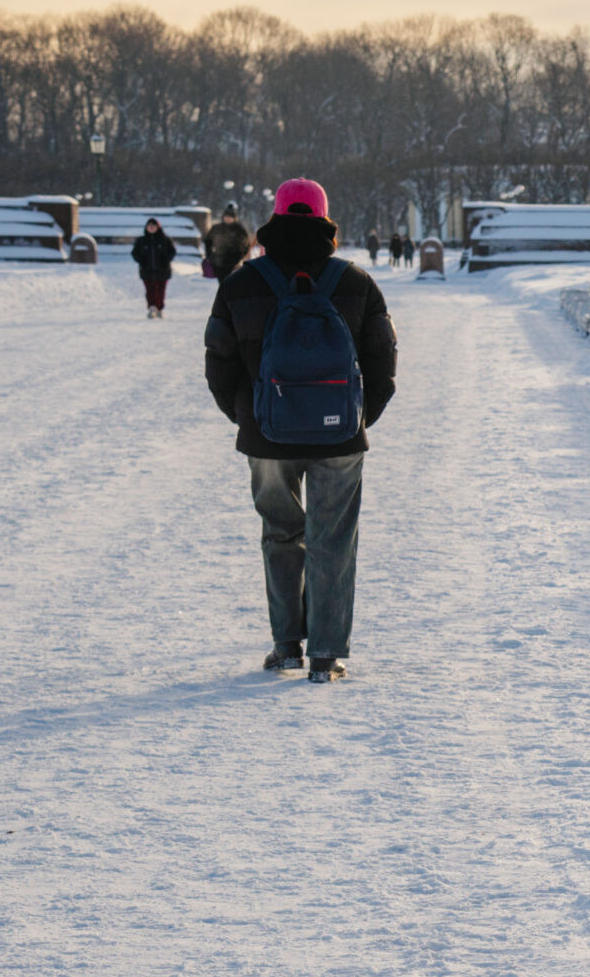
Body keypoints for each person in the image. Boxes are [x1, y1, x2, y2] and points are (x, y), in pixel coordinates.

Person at [204, 178, 398, 682]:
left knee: (280, 532)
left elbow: (218, 363)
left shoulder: (241, 283)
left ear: (274, 216)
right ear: (324, 219)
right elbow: (384, 360)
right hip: (340, 437)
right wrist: (357, 416)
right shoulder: (353, 281)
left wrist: (250, 416)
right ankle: (326, 655)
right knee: (333, 538)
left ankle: (286, 645)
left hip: (267, 436)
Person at [131, 217, 178, 318]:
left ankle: (159, 308)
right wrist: (141, 260)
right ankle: (152, 307)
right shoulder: (141, 240)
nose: (151, 228)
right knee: (150, 290)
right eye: (149, 226)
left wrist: (166, 259)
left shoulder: (165, 240)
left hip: (163, 270)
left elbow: (172, 251)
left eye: (154, 226)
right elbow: (134, 253)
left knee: (160, 290)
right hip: (146, 270)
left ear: (158, 227)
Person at [203, 204, 251, 280]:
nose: (228, 218)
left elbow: (246, 244)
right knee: (222, 283)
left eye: (230, 217)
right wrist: (210, 256)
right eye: (226, 216)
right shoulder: (217, 228)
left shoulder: (239, 229)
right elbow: (208, 241)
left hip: (234, 262)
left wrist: (240, 257)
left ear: (234, 218)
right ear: (223, 217)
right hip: (218, 261)